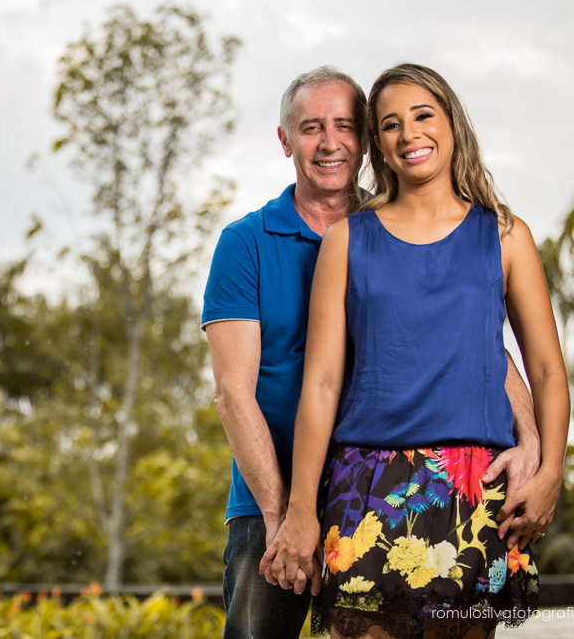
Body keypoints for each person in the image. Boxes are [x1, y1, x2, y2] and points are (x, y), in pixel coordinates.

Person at [202, 66, 544, 639]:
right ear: (285, 141)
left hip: (373, 492)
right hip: (273, 499)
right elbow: (233, 393)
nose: (330, 142)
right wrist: (285, 516)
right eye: (311, 128)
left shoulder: (401, 230)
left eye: (344, 126)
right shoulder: (248, 242)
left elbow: (476, 343)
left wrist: (531, 437)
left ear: (363, 141)